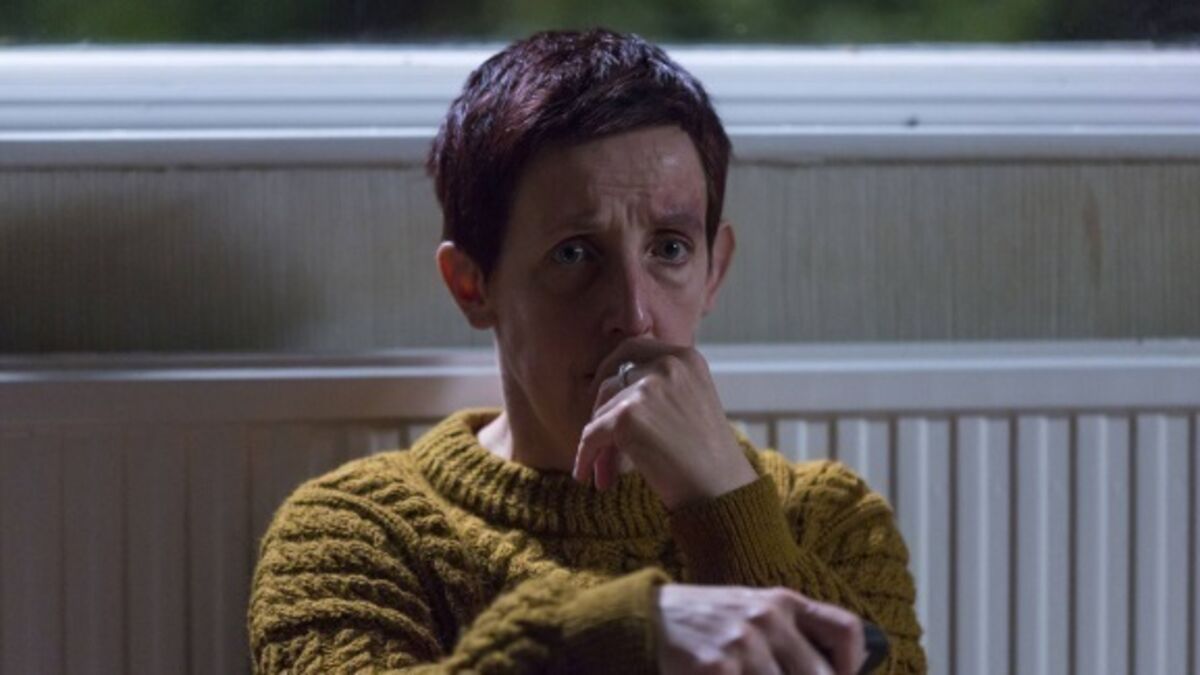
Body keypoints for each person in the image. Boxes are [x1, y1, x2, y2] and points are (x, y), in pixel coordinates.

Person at [248, 28, 926, 674]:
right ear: (472, 286)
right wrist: (617, 633)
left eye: (669, 249)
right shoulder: (354, 531)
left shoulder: (824, 516)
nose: (632, 313)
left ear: (714, 270)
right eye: (574, 254)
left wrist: (727, 507)